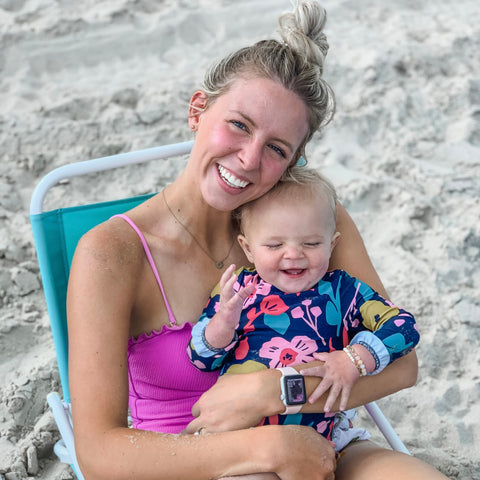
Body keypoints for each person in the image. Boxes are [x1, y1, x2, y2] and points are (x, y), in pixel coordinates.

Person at [67, 1, 449, 479]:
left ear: (291, 164)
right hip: (193, 459)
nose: (248, 159)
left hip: (324, 443)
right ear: (197, 110)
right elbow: (99, 453)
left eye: (276, 148)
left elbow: (402, 365)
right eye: (239, 124)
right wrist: (269, 447)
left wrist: (275, 391)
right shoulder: (112, 253)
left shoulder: (310, 232)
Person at [188, 168, 420, 453]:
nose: (294, 254)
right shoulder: (238, 291)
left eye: (311, 243)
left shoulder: (345, 291)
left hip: (325, 441)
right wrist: (223, 323)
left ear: (332, 243)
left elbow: (404, 328)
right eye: (275, 245)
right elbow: (201, 359)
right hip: (244, 442)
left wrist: (355, 359)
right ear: (248, 248)